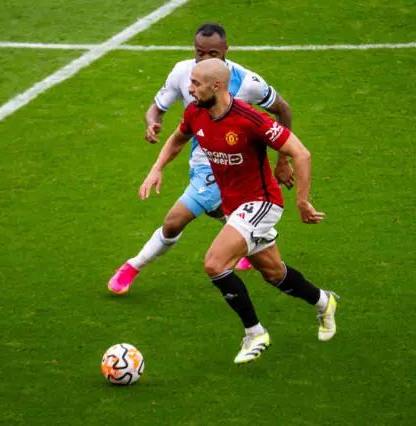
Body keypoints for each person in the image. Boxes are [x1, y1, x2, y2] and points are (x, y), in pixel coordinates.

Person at [139, 58, 340, 364]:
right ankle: (323, 302)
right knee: (273, 273)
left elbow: (301, 152)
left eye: (195, 84)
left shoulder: (251, 120)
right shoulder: (196, 112)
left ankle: (254, 333)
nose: (189, 89)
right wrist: (157, 168)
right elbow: (178, 139)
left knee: (214, 263)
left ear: (216, 86)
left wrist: (302, 200)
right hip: (236, 207)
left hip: (262, 202)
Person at [108, 22, 294, 294]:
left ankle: (132, 267)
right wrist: (152, 123)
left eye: (213, 54)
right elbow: (156, 108)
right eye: (199, 53)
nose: (205, 59)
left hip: (231, 168)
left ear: (226, 51)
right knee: (218, 210)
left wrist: (283, 160)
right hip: (201, 161)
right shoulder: (183, 73)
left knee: (174, 221)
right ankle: (252, 241)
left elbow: (283, 109)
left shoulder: (247, 82)